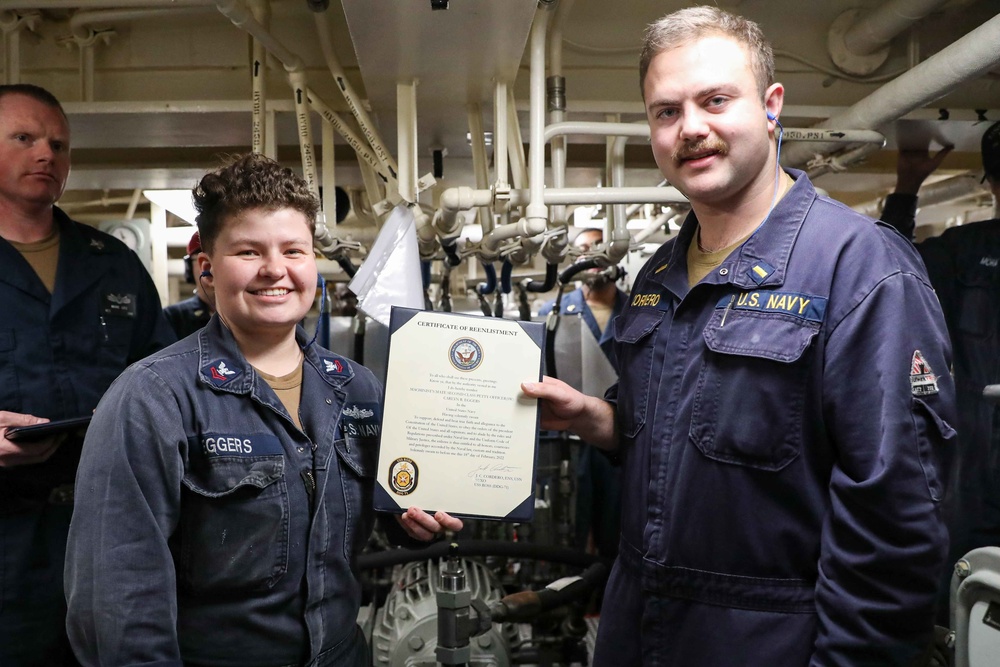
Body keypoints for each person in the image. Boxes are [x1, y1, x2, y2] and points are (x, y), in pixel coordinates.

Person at [521, 7, 956, 666]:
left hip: (770, 642)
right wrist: (603, 421)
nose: (691, 128)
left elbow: (893, 526)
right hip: (637, 634)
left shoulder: (860, 268)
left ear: (772, 106)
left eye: (715, 100)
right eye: (667, 112)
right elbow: (680, 435)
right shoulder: (656, 273)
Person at [64, 153, 461, 667]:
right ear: (207, 270)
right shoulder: (152, 397)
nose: (275, 269)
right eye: (249, 251)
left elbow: (374, 523)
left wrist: (412, 522)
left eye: (293, 250)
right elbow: (115, 593)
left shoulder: (357, 388)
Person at [0, 83, 174, 667]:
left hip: (108, 533)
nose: (46, 154)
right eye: (24, 138)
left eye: (58, 143)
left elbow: (163, 381)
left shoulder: (112, 263)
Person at [882, 124, 1000, 617]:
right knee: (964, 598)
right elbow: (889, 269)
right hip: (974, 475)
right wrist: (906, 189)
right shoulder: (965, 253)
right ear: (993, 183)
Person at [538, 228, 628, 558]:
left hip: (619, 435)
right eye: (582, 250)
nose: (589, 256)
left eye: (597, 247)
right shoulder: (553, 312)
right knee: (565, 517)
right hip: (564, 435)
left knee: (616, 523)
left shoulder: (640, 311)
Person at [163, 230, 215, 338]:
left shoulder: (249, 314)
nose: (211, 268)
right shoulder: (173, 317)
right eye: (203, 261)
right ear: (189, 268)